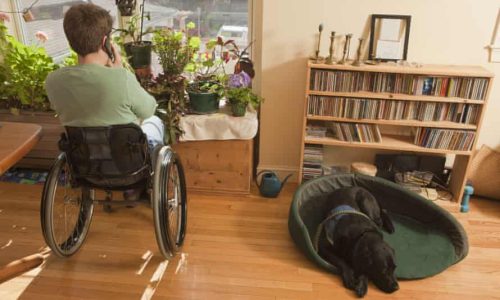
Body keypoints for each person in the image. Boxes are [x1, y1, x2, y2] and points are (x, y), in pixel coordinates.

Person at [45, 3, 162, 200]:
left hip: (85, 164)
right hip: (126, 165)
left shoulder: (53, 81)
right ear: (105, 41)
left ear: (71, 41)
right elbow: (149, 110)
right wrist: (118, 72)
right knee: (156, 122)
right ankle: (144, 187)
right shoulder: (121, 78)